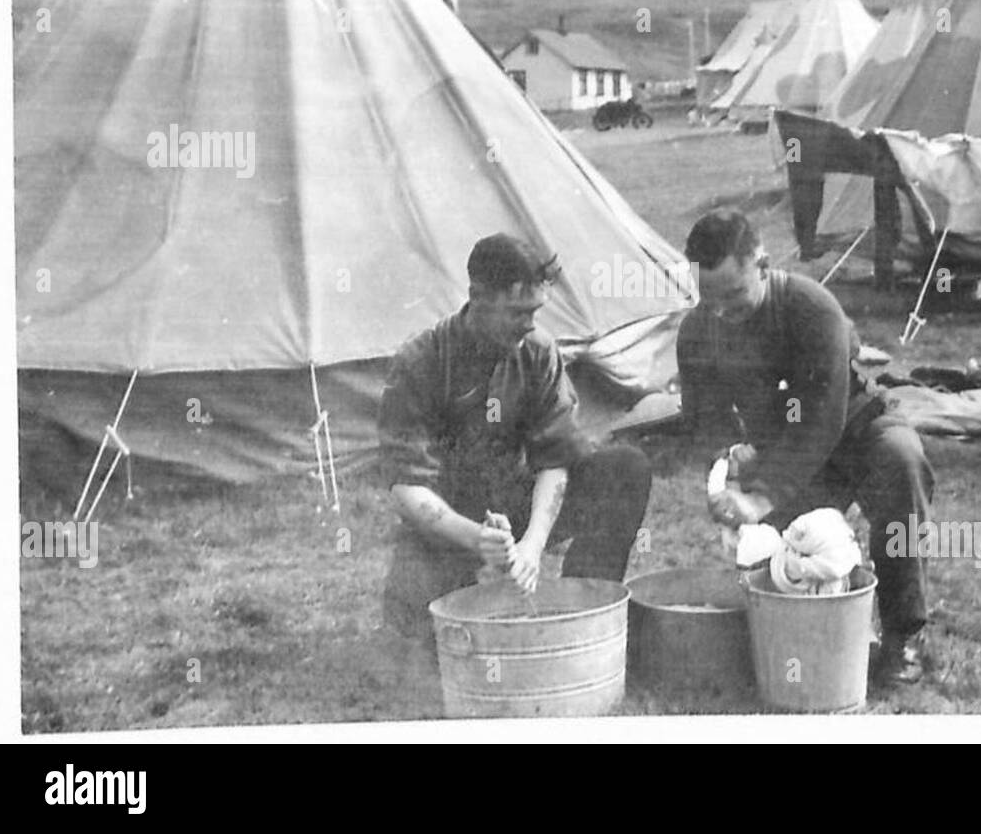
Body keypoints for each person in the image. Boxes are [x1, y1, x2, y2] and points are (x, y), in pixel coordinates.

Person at [676, 209, 936, 686]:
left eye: (733, 296)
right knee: (777, 561)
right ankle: (790, 635)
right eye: (707, 298)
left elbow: (820, 417)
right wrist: (727, 462)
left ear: (765, 265)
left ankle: (904, 633)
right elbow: (704, 419)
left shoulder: (812, 307)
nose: (720, 312)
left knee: (902, 462)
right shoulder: (697, 331)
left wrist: (761, 495)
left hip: (856, 428)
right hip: (782, 451)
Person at [378, 233, 652, 639]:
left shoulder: (538, 352)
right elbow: (407, 488)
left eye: (535, 311)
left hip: (512, 502)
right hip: (446, 521)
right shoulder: (421, 361)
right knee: (421, 637)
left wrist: (531, 546)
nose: (529, 325)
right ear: (479, 297)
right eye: (517, 312)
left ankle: (585, 612)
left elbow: (555, 458)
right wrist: (478, 540)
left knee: (624, 467)